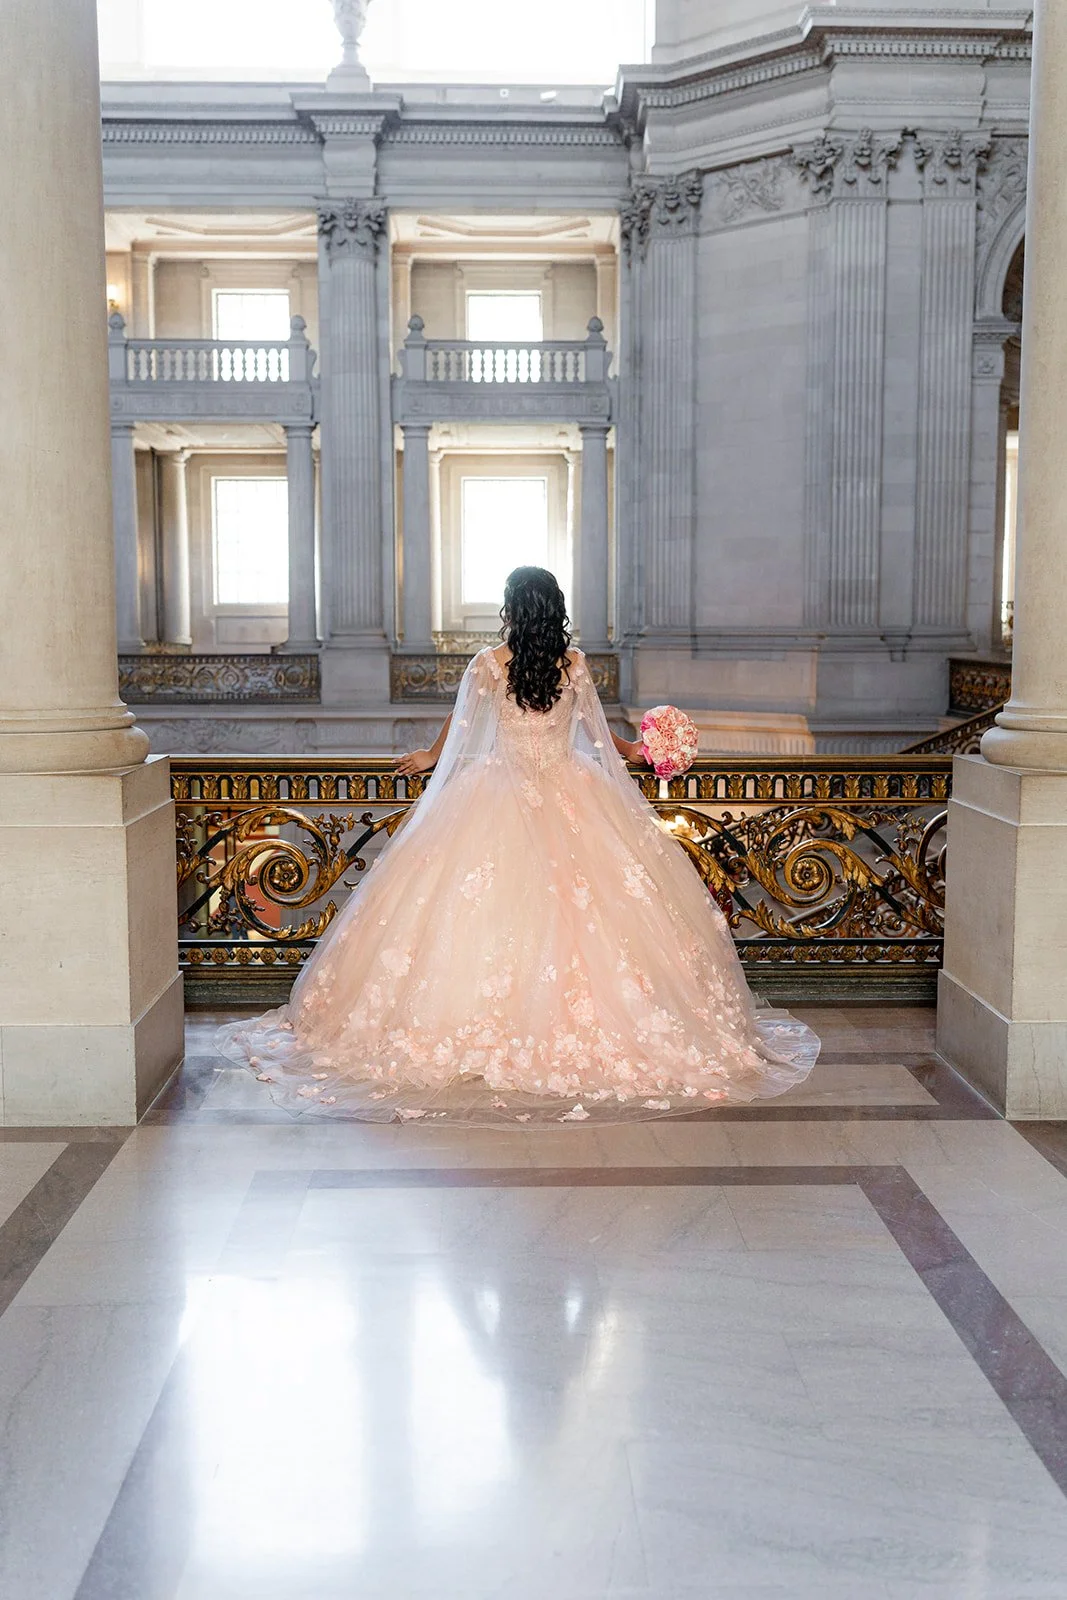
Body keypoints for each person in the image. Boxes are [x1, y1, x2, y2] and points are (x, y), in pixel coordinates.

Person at [217, 567, 818, 1121]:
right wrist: (639, 751)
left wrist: (428, 758)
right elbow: (596, 734)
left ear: (510, 609)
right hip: (570, 793)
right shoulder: (574, 664)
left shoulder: (487, 664)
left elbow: (461, 728)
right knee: (592, 916)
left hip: (497, 790)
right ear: (554, 611)